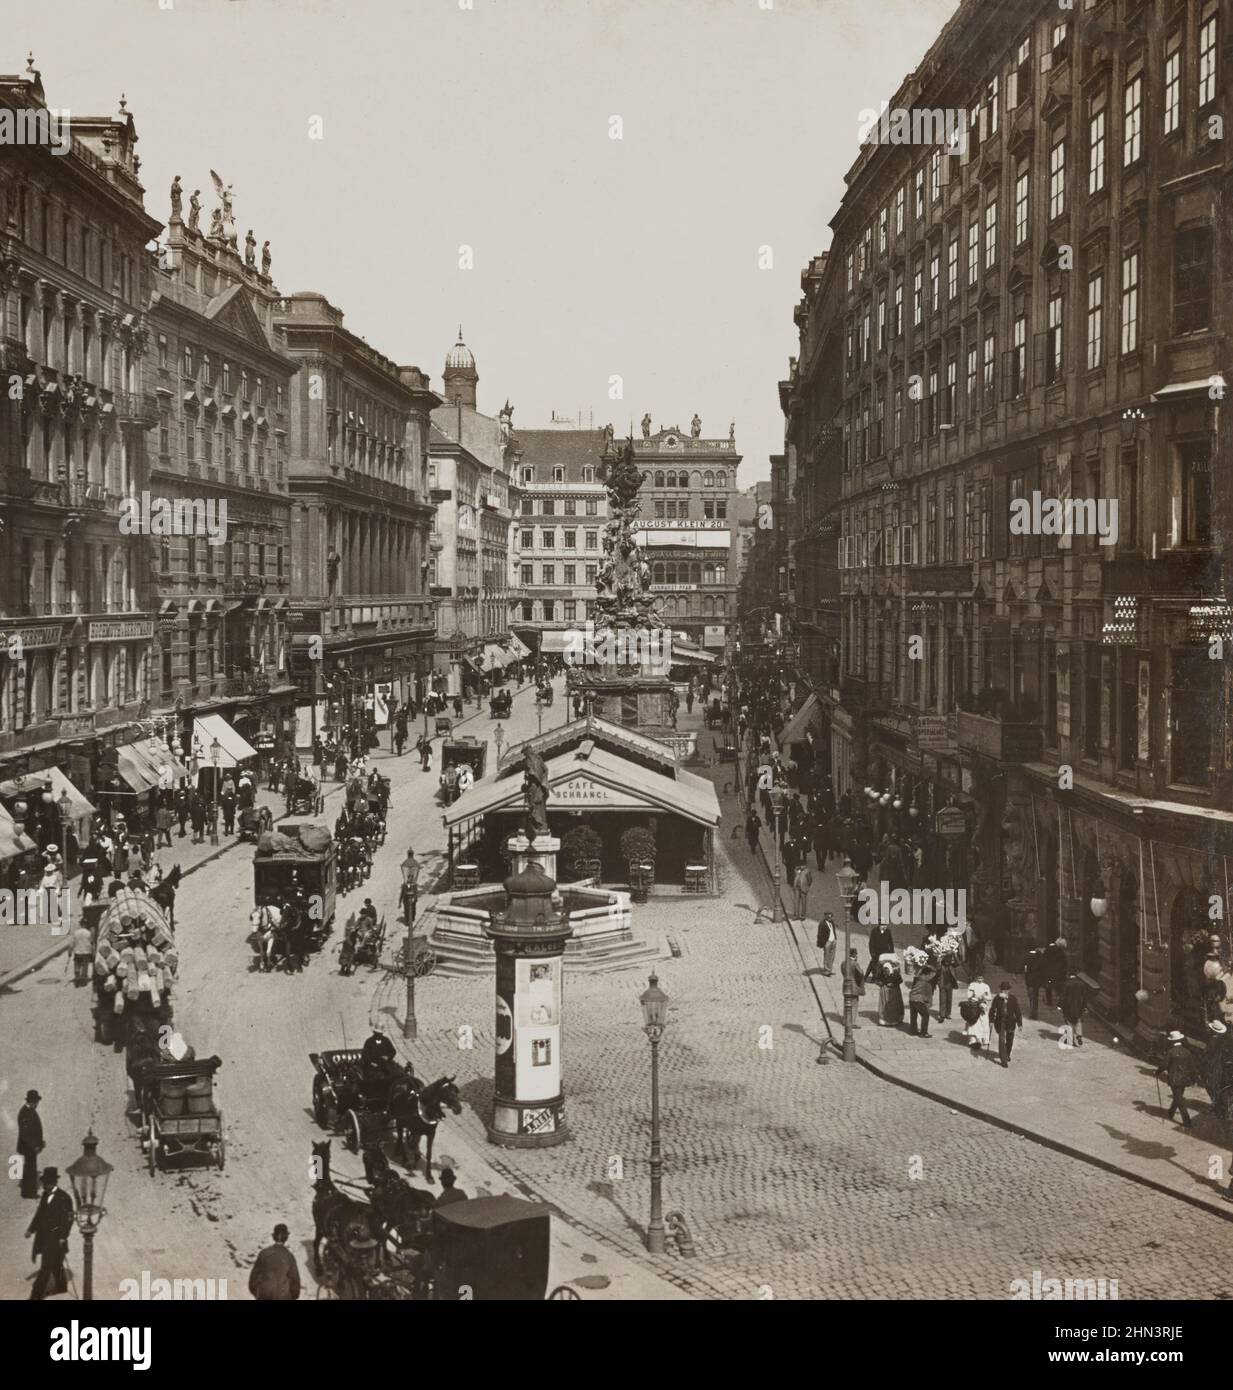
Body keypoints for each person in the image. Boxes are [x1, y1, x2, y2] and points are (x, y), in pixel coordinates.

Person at [26, 1166, 73, 1299]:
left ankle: (35, 1296)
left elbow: (68, 1220)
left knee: (46, 1267)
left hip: (56, 1237)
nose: (44, 1186)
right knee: (56, 1263)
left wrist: (63, 1236)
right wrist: (31, 1229)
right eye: (44, 1183)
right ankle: (61, 1287)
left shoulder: (64, 1198)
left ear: (53, 1182)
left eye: (47, 1183)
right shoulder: (45, 1195)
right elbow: (39, 1213)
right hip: (44, 1237)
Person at [248, 1224, 301, 1300]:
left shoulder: (264, 1253)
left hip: (264, 1295)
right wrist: (292, 1297)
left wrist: (258, 1293)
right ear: (286, 1237)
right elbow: (295, 1282)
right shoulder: (289, 1257)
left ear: (273, 1236)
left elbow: (253, 1279)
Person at [1155, 1030, 1196, 1128]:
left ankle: (1187, 1121)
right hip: (1184, 1079)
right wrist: (1193, 1079)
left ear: (1172, 1042)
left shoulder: (1171, 1052)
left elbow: (1164, 1065)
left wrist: (1157, 1072)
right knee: (1178, 1096)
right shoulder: (1187, 1052)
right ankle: (1171, 1112)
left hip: (1174, 1079)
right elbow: (1192, 1067)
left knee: (1179, 1098)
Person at [989, 981, 1023, 1068]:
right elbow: (992, 1010)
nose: (1004, 992)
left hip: (1011, 1022)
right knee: (1001, 1040)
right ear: (1001, 990)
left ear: (1009, 990)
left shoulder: (1013, 999)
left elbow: (1018, 1011)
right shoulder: (997, 998)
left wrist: (1020, 1024)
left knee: (1010, 1040)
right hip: (1000, 1022)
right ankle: (1003, 1060)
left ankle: (1007, 1054)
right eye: (1003, 990)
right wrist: (991, 1021)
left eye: (1006, 990)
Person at [17, 1090, 44, 1198]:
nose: (37, 1104)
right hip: (29, 1147)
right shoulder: (26, 1112)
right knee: (30, 1169)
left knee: (30, 1168)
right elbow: (25, 1134)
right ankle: (29, 1193)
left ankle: (27, 1191)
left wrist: (40, 1143)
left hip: (30, 1147)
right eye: (36, 1101)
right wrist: (34, 1146)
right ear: (32, 1101)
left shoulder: (29, 1111)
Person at [961, 974, 992, 1054]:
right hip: (974, 1007)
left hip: (983, 1007)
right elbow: (969, 996)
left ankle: (983, 1039)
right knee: (973, 1023)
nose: (980, 979)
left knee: (984, 1023)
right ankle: (973, 1040)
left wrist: (985, 998)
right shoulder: (972, 985)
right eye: (978, 977)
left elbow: (989, 997)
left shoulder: (986, 986)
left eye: (981, 977)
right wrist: (976, 1000)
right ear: (976, 977)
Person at [873, 954, 904, 1026]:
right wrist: (882, 983)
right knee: (885, 1004)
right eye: (884, 971)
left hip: (893, 991)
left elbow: (900, 980)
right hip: (885, 991)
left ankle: (894, 1019)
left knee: (893, 1004)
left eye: (886, 971)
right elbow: (877, 980)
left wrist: (893, 984)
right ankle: (885, 1019)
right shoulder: (881, 972)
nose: (885, 973)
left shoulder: (895, 973)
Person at [908, 963, 937, 1037]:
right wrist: (929, 965)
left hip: (912, 998)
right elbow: (935, 971)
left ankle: (913, 1031)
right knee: (925, 1015)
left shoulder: (918, 977)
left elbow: (919, 973)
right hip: (918, 999)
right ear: (928, 973)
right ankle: (923, 1033)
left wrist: (922, 967)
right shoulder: (927, 980)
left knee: (913, 1016)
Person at [1060, 971, 1088, 1047]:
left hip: (1068, 1006)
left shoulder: (1066, 984)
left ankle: (1070, 1039)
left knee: (1069, 1022)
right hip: (1079, 1006)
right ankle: (1079, 1035)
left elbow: (1063, 996)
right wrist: (1085, 1006)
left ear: (1068, 975)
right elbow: (1084, 997)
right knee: (1078, 1020)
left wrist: (1059, 1005)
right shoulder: (1081, 984)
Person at [1043, 936, 1068, 1007]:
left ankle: (1049, 1001)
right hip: (1058, 973)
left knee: (1048, 987)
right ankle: (1060, 1003)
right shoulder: (1060, 952)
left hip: (1049, 972)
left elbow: (1044, 960)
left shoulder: (1048, 949)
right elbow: (1063, 963)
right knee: (1059, 988)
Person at [1024, 947, 1046, 1020]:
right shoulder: (1040, 956)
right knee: (1035, 996)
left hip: (1029, 980)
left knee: (1031, 996)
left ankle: (1032, 1013)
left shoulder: (1027, 956)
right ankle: (1035, 1012)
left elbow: (1025, 968)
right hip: (1037, 980)